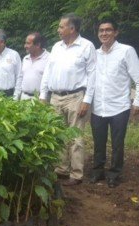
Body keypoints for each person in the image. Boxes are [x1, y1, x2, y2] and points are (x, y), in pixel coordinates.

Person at [40, 13, 96, 186]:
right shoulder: (57, 47)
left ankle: (76, 174)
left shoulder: (87, 46)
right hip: (56, 97)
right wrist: (43, 96)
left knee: (76, 137)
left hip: (76, 97)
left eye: (61, 26)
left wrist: (87, 100)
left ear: (72, 29)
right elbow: (48, 72)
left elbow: (93, 75)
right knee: (58, 135)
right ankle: (61, 169)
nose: (58, 30)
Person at [90, 19, 139, 188]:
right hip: (98, 106)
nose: (104, 33)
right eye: (101, 30)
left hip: (119, 106)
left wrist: (138, 101)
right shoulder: (94, 54)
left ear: (116, 32)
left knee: (117, 143)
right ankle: (98, 171)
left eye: (108, 30)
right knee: (98, 142)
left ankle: (114, 173)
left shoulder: (126, 51)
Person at [18, 32, 50, 100]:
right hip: (24, 98)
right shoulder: (25, 59)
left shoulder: (49, 58)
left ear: (38, 45)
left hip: (40, 99)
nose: (25, 46)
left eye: (28, 43)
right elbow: (20, 78)